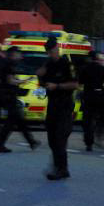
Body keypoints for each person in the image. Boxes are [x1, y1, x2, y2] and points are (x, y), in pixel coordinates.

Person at [36, 37, 78, 180]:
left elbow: (74, 84)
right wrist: (39, 77)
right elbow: (43, 82)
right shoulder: (48, 64)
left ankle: (61, 169)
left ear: (57, 49)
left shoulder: (66, 64)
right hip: (52, 104)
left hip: (65, 104)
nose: (50, 54)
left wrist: (57, 86)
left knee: (60, 137)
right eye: (48, 52)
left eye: (52, 51)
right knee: (52, 138)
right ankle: (59, 167)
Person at [0, 47, 40, 153]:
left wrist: (21, 81)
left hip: (7, 96)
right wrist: (23, 81)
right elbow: (10, 81)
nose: (20, 56)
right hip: (9, 96)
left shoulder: (7, 64)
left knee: (17, 121)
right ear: (13, 54)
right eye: (18, 54)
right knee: (13, 122)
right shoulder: (9, 65)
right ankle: (30, 142)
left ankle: (31, 142)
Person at [79, 51, 104, 152]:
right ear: (97, 58)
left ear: (89, 58)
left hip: (88, 96)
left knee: (87, 120)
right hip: (100, 96)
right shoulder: (102, 68)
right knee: (103, 117)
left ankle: (89, 143)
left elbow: (80, 82)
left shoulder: (85, 69)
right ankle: (99, 135)